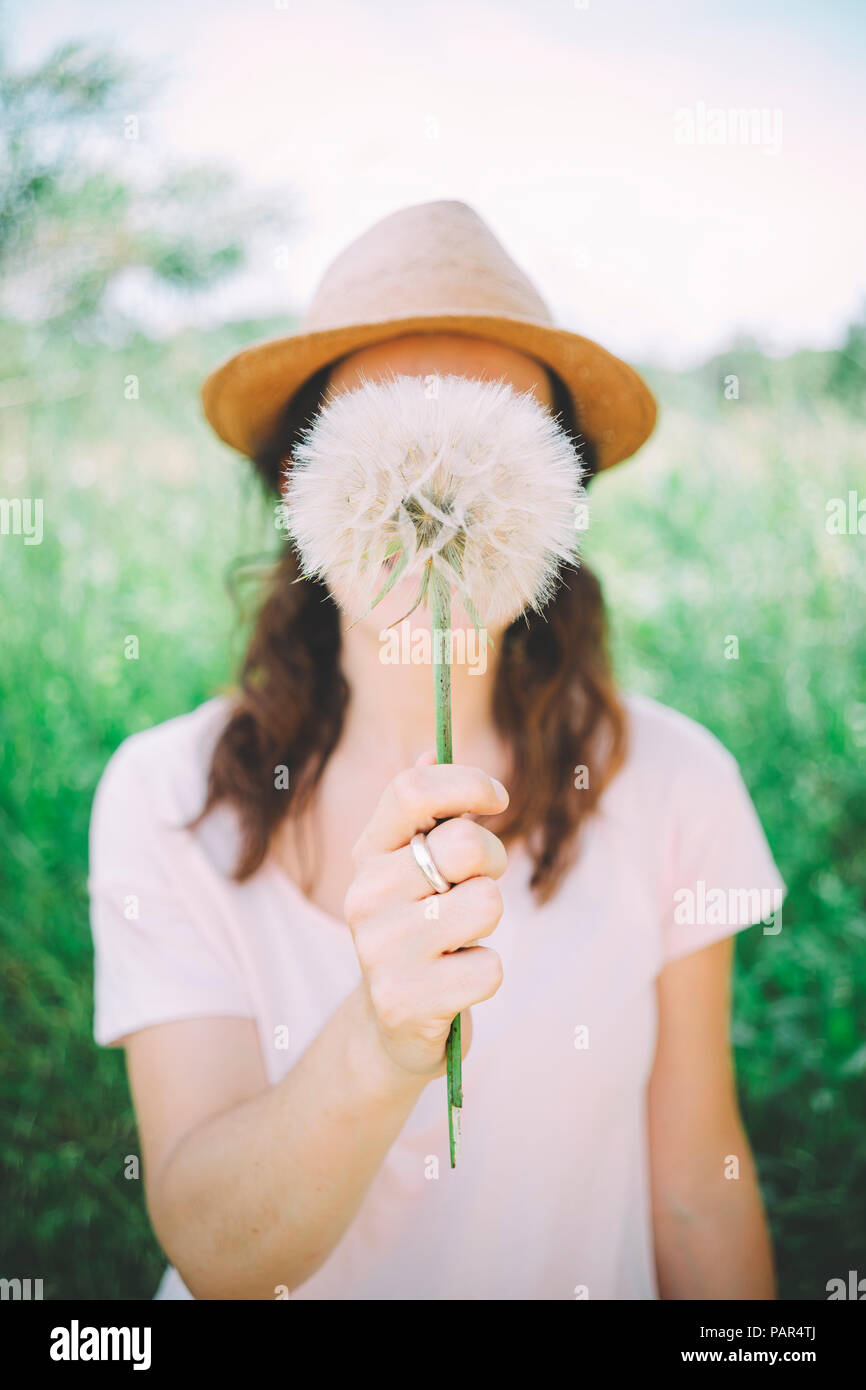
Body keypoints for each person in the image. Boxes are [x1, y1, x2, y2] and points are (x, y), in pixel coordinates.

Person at [89, 200, 785, 1300]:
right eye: (395, 434)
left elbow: (697, 1182)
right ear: (297, 487)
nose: (442, 489)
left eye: (492, 440)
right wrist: (380, 1039)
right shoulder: (164, 796)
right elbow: (215, 1250)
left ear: (559, 497)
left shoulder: (675, 783)